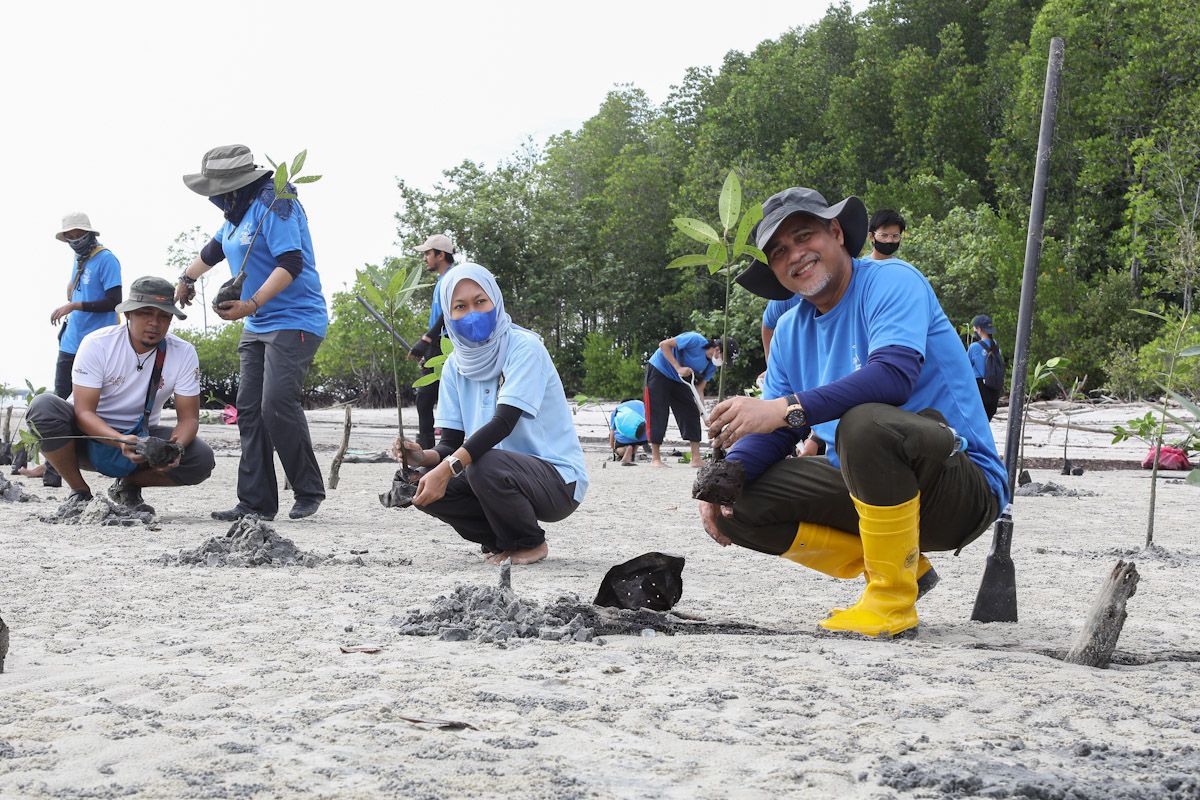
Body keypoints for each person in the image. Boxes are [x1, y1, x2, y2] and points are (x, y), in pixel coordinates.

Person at [699, 186, 1008, 639]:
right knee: (737, 504)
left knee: (863, 424)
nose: (795, 255)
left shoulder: (892, 281)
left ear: (837, 233)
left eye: (804, 236)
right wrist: (725, 478)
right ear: (775, 271)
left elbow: (893, 376)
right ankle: (903, 567)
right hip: (866, 488)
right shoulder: (788, 332)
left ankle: (890, 600)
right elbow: (778, 432)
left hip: (959, 486)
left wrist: (785, 408)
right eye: (779, 251)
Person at [393, 263, 588, 565]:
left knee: (481, 463)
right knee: (415, 482)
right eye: (460, 306)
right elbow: (450, 444)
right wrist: (423, 458)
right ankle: (501, 540)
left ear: (495, 301)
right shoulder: (455, 366)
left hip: (556, 481)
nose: (472, 313)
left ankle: (529, 543)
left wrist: (445, 469)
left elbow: (503, 424)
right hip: (493, 475)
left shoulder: (524, 348)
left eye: (480, 301)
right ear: (448, 314)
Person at [176, 144, 329, 521]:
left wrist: (252, 303)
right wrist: (186, 278)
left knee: (275, 403)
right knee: (248, 411)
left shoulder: (275, 204)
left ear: (235, 182)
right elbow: (214, 250)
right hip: (257, 324)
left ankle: (308, 489)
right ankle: (255, 503)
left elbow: (291, 263)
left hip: (295, 318)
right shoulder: (237, 211)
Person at [26, 277, 214, 513]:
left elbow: (189, 419)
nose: (155, 323)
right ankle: (79, 492)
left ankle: (128, 486)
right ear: (128, 314)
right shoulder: (98, 344)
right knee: (43, 407)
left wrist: (176, 448)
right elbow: (84, 412)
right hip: (84, 438)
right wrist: (120, 440)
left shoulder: (183, 352)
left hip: (142, 438)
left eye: (164, 316)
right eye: (146, 313)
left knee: (201, 459)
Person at [25, 214, 125, 487]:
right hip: (71, 341)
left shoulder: (107, 259)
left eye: (78, 234)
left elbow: (114, 301)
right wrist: (72, 293)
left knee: (92, 405)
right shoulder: (79, 259)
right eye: (69, 236)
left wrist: (73, 305)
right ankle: (51, 470)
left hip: (97, 344)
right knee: (55, 405)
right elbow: (75, 289)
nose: (74, 240)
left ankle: (104, 461)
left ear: (89, 233)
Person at [644, 332, 730, 468]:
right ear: (718, 350)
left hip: (680, 380)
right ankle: (656, 459)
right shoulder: (695, 340)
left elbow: (699, 390)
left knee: (691, 412)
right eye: (724, 358)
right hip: (660, 370)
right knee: (658, 412)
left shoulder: (711, 366)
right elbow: (663, 345)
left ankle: (696, 458)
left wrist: (704, 415)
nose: (723, 362)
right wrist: (678, 367)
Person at [408, 233, 457, 449]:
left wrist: (426, 340)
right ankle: (429, 450)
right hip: (437, 346)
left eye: (428, 253)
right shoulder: (441, 281)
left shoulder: (452, 278)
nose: (425, 258)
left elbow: (448, 313)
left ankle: (431, 450)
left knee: (428, 398)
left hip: (446, 345)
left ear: (441, 255)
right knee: (425, 399)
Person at [968, 314, 1002, 421]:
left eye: (974, 327)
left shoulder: (974, 347)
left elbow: (965, 367)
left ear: (979, 329)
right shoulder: (996, 345)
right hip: (994, 387)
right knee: (986, 419)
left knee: (976, 418)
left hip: (979, 386)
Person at [608, 399, 647, 465]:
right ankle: (632, 453)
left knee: (619, 448)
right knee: (636, 435)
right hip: (644, 437)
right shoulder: (641, 404)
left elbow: (612, 432)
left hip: (624, 440)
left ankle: (627, 449)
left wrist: (613, 448)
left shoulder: (617, 410)